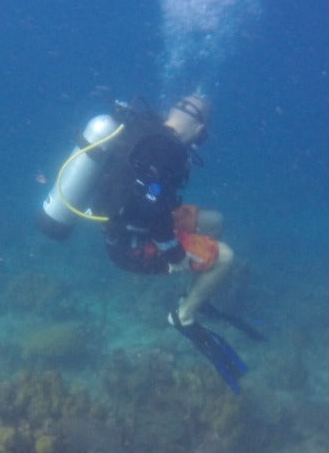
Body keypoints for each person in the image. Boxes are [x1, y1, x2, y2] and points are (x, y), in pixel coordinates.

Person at [92, 94, 260, 390]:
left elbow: (148, 204)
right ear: (199, 130)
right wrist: (176, 255)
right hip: (133, 245)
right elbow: (150, 210)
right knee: (225, 258)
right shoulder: (166, 149)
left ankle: (193, 293)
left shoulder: (149, 130)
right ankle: (184, 316)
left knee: (215, 222)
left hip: (133, 227)